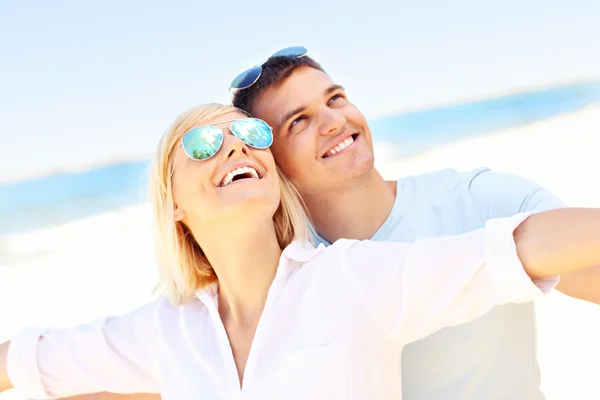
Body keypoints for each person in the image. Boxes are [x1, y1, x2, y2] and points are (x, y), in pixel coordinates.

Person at [2, 103, 600, 400]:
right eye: (204, 143)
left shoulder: (351, 280)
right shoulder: (164, 330)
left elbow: (515, 248)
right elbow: (29, 361)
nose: (237, 149)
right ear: (173, 203)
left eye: (253, 136)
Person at [228, 46, 600, 399]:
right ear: (270, 164)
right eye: (300, 121)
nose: (334, 121)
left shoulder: (482, 200)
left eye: (335, 98)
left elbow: (588, 275)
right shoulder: (288, 276)